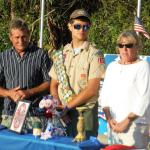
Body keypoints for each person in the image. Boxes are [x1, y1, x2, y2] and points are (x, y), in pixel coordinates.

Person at [49, 9, 105, 139]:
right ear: (70, 27)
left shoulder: (95, 54)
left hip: (85, 113)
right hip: (63, 115)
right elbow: (53, 85)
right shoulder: (61, 54)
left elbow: (92, 89)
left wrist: (67, 107)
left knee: (84, 147)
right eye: (77, 26)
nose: (81, 30)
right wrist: (59, 108)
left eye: (85, 27)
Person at [100, 30, 150, 149]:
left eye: (129, 45)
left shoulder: (143, 66)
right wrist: (109, 118)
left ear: (137, 47)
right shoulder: (112, 66)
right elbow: (105, 95)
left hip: (135, 125)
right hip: (114, 125)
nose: (124, 49)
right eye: (121, 45)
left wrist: (126, 122)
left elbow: (144, 98)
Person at [0, 18, 52, 130]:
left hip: (35, 116)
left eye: (24, 36)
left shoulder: (41, 55)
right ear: (10, 37)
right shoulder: (3, 57)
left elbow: (49, 82)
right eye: (17, 37)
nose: (21, 40)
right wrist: (9, 93)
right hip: (9, 115)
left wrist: (29, 92)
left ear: (29, 34)